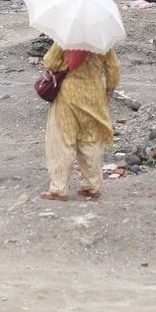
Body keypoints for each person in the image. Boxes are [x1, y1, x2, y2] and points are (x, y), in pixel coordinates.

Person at [40, 43, 120, 202]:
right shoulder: (102, 41)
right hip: (94, 95)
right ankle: (92, 186)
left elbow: (50, 62)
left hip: (68, 94)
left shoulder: (67, 40)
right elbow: (113, 67)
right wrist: (109, 90)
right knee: (91, 139)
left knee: (62, 139)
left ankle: (58, 188)